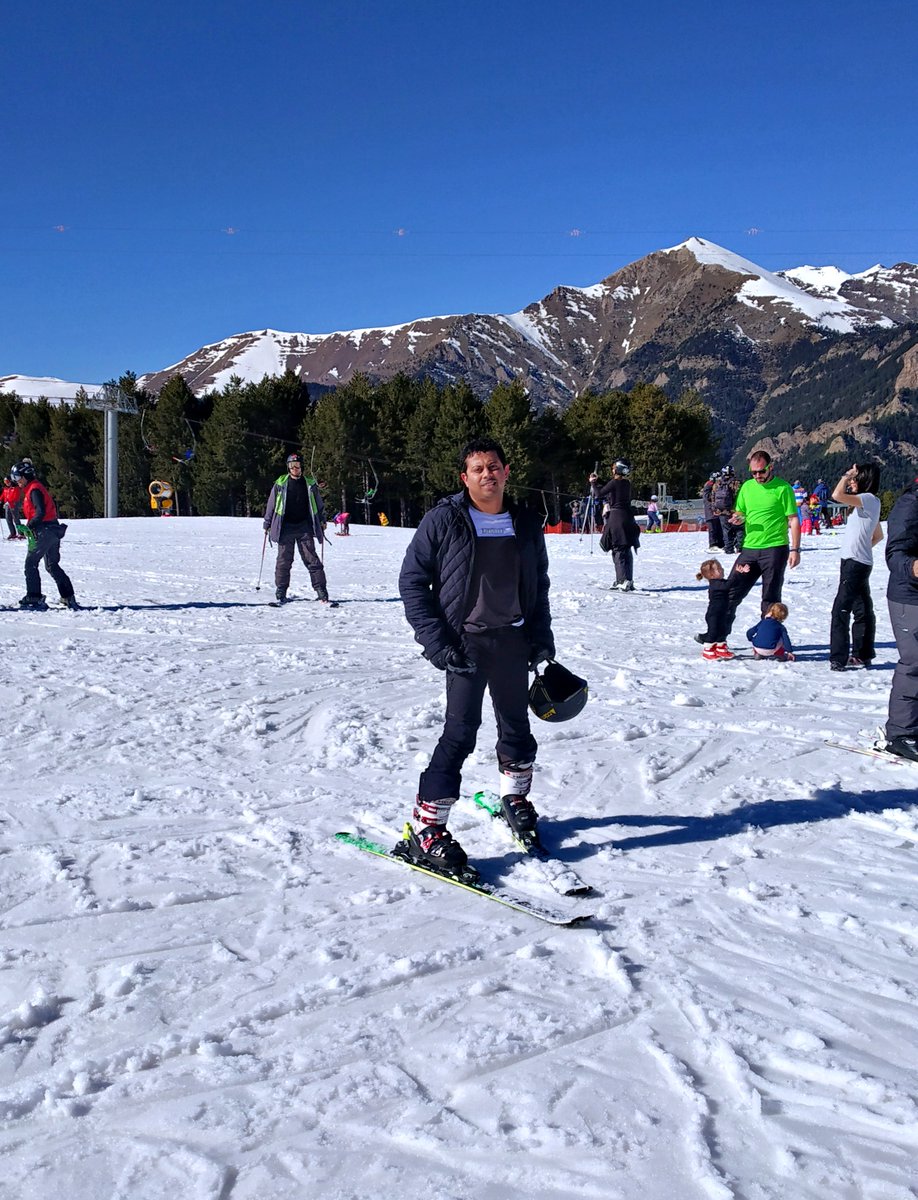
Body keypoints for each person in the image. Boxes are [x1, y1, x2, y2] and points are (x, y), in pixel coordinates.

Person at [398, 437, 554, 873]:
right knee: (460, 733)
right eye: (478, 469)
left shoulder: (524, 522)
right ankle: (427, 827)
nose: (487, 474)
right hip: (463, 644)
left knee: (517, 728)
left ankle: (515, 797)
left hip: (514, 640)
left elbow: (538, 585)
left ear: (506, 471)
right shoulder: (444, 520)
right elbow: (412, 583)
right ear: (464, 478)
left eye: (494, 466)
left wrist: (541, 635)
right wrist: (437, 644)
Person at [721, 450, 801, 637]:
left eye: (761, 471)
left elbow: (794, 519)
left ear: (770, 468)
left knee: (770, 599)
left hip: (775, 549)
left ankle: (768, 640)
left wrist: (795, 549)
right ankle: (717, 636)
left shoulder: (783, 488)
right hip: (750, 548)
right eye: (754, 472)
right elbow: (741, 512)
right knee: (730, 592)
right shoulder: (747, 487)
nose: (758, 476)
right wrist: (738, 519)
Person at [878, 477, 918, 760]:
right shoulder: (910, 504)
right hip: (908, 596)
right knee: (914, 661)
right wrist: (914, 567)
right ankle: (900, 734)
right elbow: (894, 554)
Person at [829, 464, 882, 672]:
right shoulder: (869, 504)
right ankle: (862, 654)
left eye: (855, 478)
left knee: (840, 609)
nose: (852, 481)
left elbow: (836, 494)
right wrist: (862, 548)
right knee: (862, 610)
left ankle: (838, 657)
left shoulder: (868, 499)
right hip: (860, 561)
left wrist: (846, 474)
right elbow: (878, 535)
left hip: (853, 563)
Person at [263, 453, 330, 603]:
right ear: (288, 467)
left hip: (304, 527)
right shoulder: (280, 483)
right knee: (284, 561)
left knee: (312, 559)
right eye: (292, 466)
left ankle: (321, 590)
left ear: (301, 467)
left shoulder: (310, 484)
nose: (295, 469)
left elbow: (319, 505)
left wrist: (322, 520)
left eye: (297, 466)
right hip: (285, 527)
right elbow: (271, 505)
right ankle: (281, 590)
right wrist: (267, 523)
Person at [10, 460, 77, 608]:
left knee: (30, 563)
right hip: (52, 530)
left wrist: (30, 526)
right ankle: (68, 596)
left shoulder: (34, 489)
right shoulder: (34, 488)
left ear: (25, 476)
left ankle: (34, 597)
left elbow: (40, 512)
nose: (16, 482)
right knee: (52, 565)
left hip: (44, 531)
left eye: (17, 478)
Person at [590, 460, 640, 591]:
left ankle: (622, 580)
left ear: (618, 469)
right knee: (626, 549)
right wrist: (599, 481)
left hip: (617, 519)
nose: (612, 470)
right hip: (628, 518)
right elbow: (611, 486)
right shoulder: (626, 483)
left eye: (613, 468)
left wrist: (593, 483)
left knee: (618, 550)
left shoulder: (614, 483)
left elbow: (599, 493)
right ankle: (628, 579)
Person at [696, 558, 735, 661]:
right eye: (719, 569)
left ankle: (721, 647)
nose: (722, 570)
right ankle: (707, 650)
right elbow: (729, 585)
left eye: (721, 567)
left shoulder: (720, 582)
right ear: (712, 575)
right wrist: (739, 573)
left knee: (723, 630)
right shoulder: (715, 584)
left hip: (722, 612)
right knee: (713, 632)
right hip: (714, 614)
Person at [712, 467, 741, 553]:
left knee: (726, 530)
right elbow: (739, 496)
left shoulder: (718, 483)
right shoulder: (736, 483)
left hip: (722, 511)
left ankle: (728, 548)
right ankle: (739, 547)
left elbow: (713, 496)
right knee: (738, 528)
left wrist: (715, 508)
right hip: (734, 510)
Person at [702, 475, 725, 549]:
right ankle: (713, 544)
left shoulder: (714, 487)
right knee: (712, 530)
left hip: (716, 513)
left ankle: (720, 544)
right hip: (710, 513)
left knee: (719, 529)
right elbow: (707, 497)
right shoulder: (708, 487)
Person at [2, 475, 24, 540]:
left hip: (14, 505)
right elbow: (3, 495)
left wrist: (9, 502)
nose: (7, 483)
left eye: (7, 481)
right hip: (7, 505)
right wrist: (0, 499)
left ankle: (21, 533)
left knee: (16, 519)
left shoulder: (15, 488)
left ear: (10, 481)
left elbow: (16, 497)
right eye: (5, 482)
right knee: (8, 519)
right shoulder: (6, 488)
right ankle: (12, 533)